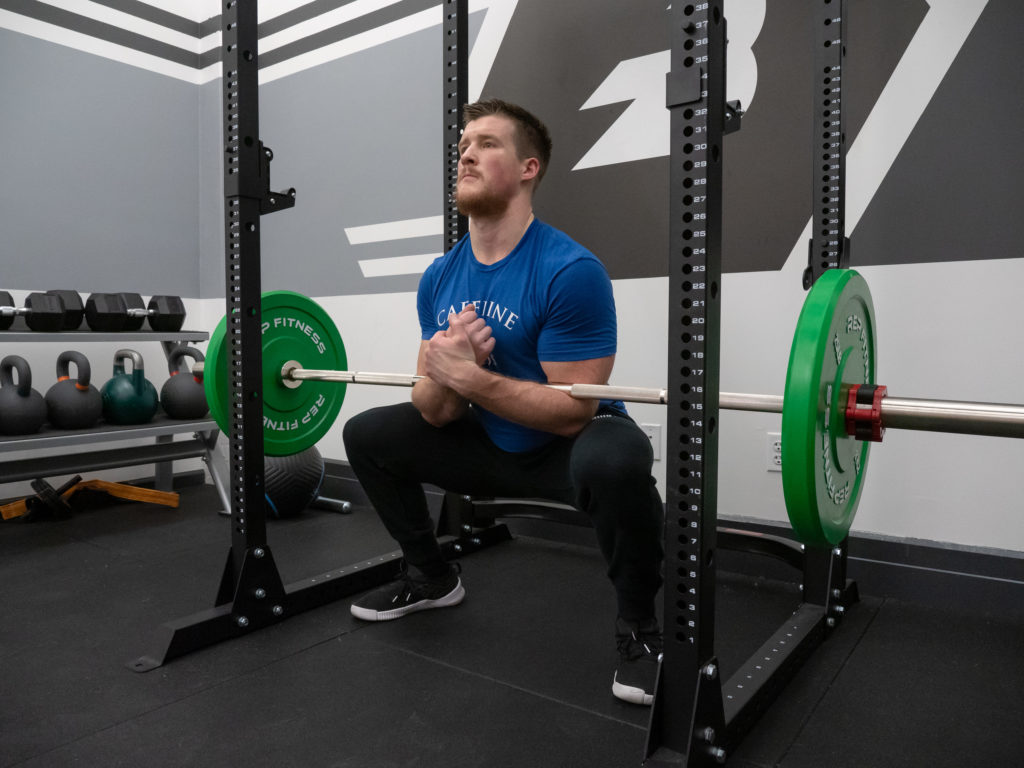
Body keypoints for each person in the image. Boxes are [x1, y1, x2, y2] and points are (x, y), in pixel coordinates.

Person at [343, 98, 664, 706]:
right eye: (464, 144)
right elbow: (433, 409)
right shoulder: (440, 276)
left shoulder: (570, 270)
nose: (466, 152)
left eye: (487, 143)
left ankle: (640, 629)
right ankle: (431, 577)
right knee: (370, 435)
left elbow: (573, 410)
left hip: (568, 449)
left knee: (619, 460)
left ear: (528, 168)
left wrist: (469, 377)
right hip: (488, 442)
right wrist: (454, 376)